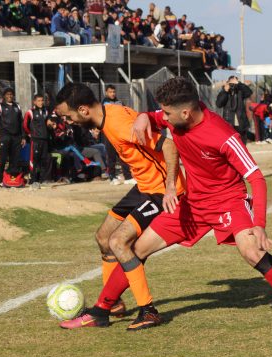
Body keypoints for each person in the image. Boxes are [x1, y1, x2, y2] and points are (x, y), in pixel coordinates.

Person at [67, 77, 272, 337]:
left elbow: (256, 178)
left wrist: (259, 223)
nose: (165, 119)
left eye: (168, 114)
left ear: (186, 112)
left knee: (252, 252)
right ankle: (101, 311)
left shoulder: (223, 135)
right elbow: (154, 116)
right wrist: (145, 116)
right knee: (136, 249)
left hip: (228, 201)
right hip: (192, 204)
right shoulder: (176, 114)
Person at [54, 82, 186, 330]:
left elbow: (169, 145)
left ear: (83, 110)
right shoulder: (109, 115)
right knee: (103, 236)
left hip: (160, 190)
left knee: (118, 242)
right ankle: (111, 304)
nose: (68, 121)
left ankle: (148, 311)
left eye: (68, 116)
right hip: (144, 186)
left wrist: (170, 187)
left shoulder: (118, 123)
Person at [101, 85, 134, 185]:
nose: (112, 94)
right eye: (110, 92)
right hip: (109, 132)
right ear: (106, 92)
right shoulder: (104, 104)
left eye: (114, 92)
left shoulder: (120, 102)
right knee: (111, 156)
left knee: (123, 155)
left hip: (120, 132)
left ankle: (128, 177)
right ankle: (112, 177)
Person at [0, 87, 25, 185]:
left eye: (11, 94)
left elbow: (21, 123)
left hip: (16, 137)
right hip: (4, 136)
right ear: (4, 96)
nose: (10, 96)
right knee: (2, 159)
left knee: (14, 159)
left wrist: (23, 137)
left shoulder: (17, 106)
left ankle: (12, 180)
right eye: (7, 94)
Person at [23, 94, 52, 186]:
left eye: (42, 100)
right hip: (35, 140)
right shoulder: (30, 112)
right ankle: (33, 180)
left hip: (44, 139)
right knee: (34, 160)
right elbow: (24, 125)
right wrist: (30, 134)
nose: (41, 102)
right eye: (39, 101)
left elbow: (48, 123)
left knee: (44, 159)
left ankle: (43, 180)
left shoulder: (46, 111)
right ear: (34, 102)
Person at [216, 76, 253, 144]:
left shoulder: (240, 91)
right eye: (231, 82)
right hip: (229, 122)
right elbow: (219, 104)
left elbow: (249, 92)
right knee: (231, 143)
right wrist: (225, 91)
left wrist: (239, 84)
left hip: (241, 121)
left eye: (234, 83)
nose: (232, 85)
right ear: (228, 82)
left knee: (242, 143)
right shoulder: (224, 91)